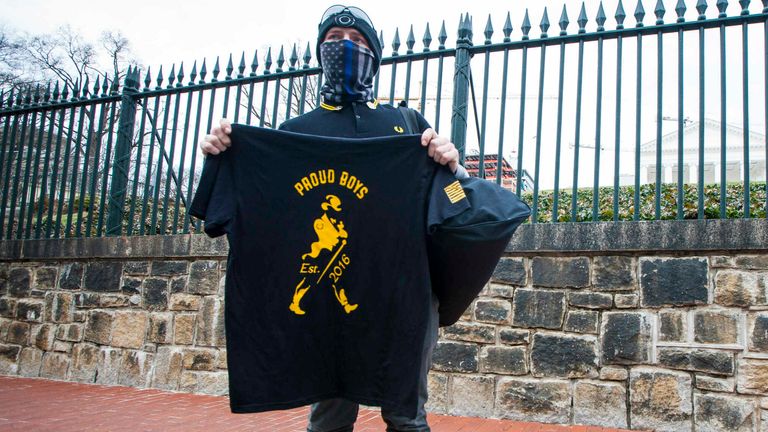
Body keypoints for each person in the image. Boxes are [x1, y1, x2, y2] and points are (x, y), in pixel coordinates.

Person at [198, 5, 467, 432]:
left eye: (358, 41)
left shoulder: (407, 126)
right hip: (328, 311)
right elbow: (253, 216)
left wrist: (454, 167)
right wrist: (226, 158)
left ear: (375, 57)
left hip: (399, 296)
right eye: (334, 37)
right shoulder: (293, 132)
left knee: (406, 413)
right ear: (319, 50)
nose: (345, 46)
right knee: (329, 416)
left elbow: (457, 204)